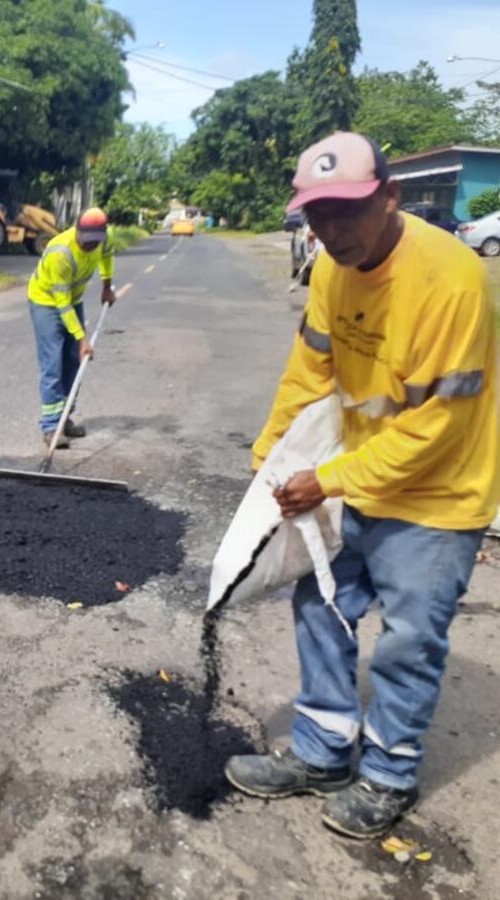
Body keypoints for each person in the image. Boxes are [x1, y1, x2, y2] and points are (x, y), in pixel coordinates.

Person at [226, 132, 499, 839]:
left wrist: (328, 479)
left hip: (439, 494)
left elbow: (435, 431)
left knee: (409, 638)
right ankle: (323, 753)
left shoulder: (453, 282)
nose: (331, 230)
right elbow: (310, 373)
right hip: (352, 477)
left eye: (347, 211)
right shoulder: (328, 269)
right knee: (322, 604)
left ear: (390, 197)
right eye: (316, 216)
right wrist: (272, 459)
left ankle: (388, 774)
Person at [27, 207, 117, 447]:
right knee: (52, 365)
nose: (89, 246)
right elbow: (61, 304)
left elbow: (107, 256)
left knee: (74, 363)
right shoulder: (61, 253)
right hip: (47, 302)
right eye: (86, 241)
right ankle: (50, 428)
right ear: (77, 230)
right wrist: (81, 339)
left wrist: (107, 286)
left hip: (73, 300)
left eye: (94, 242)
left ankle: (64, 418)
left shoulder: (103, 240)